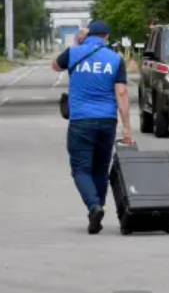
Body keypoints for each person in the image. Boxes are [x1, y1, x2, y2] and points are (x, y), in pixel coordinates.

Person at [52, 20, 134, 234]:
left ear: (86, 35)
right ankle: (98, 207)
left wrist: (78, 43)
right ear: (106, 36)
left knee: (80, 169)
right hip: (107, 122)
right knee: (100, 169)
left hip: (80, 121)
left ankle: (94, 207)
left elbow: (55, 66)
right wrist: (127, 128)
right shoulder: (116, 59)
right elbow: (122, 93)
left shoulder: (73, 52)